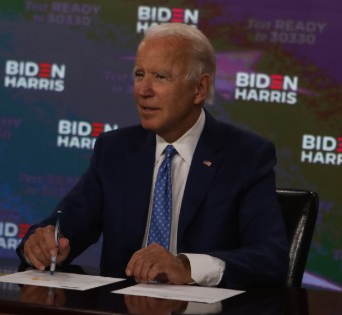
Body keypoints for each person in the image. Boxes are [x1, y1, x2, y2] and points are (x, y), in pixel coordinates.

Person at [16, 22, 289, 289]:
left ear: (199, 88)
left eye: (160, 77)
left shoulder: (246, 156)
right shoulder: (115, 150)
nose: (143, 90)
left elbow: (270, 259)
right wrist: (41, 244)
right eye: (139, 74)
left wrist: (186, 266)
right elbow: (66, 226)